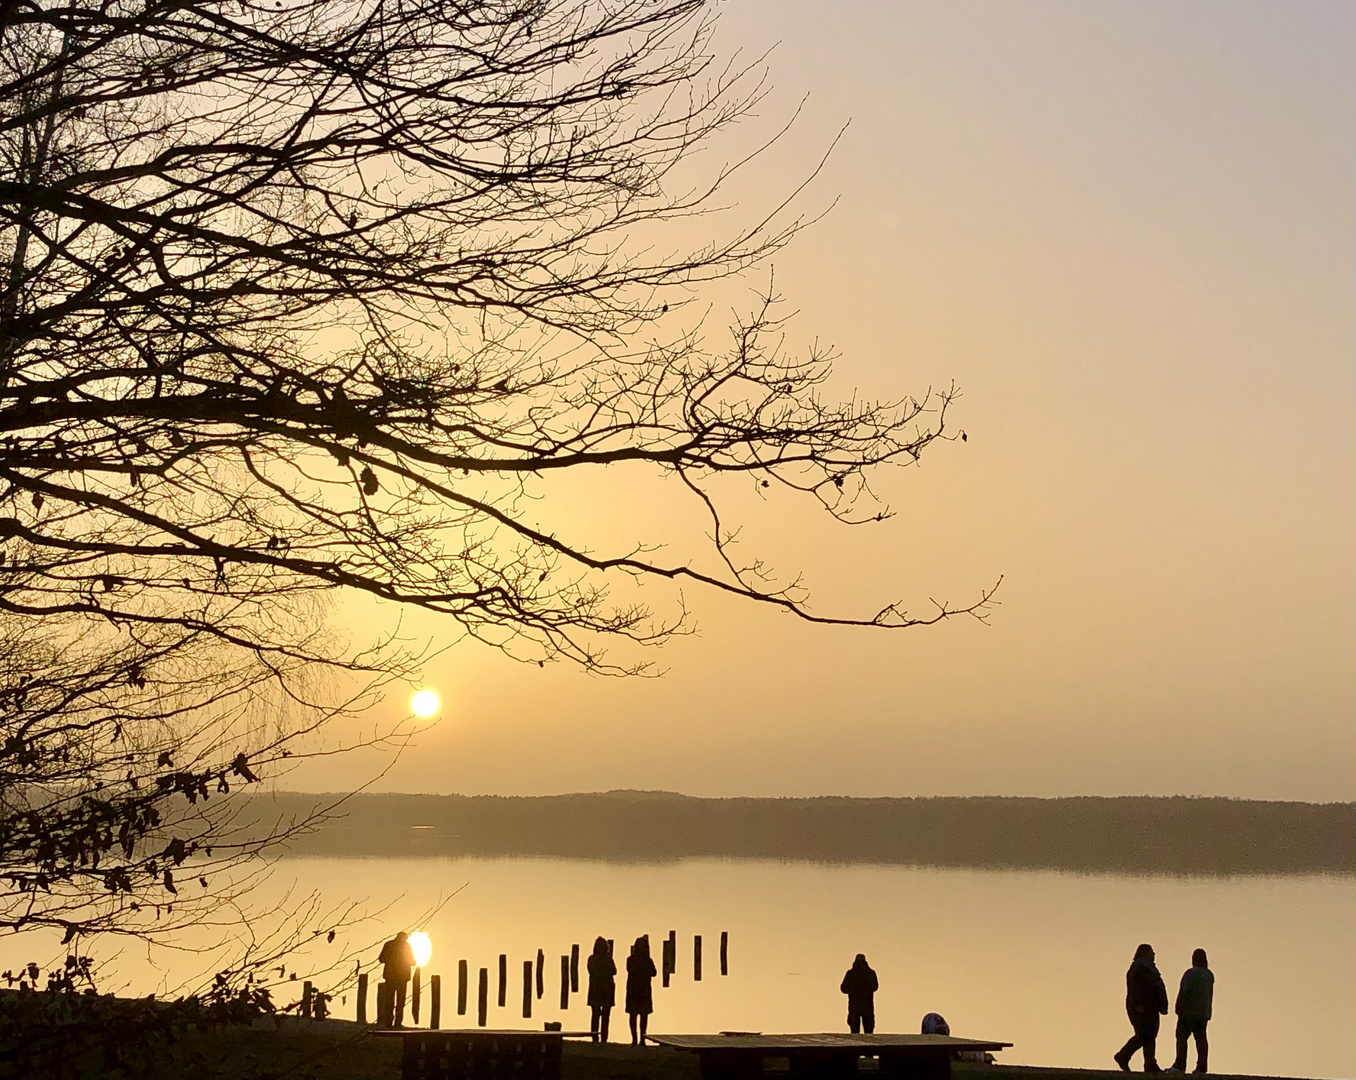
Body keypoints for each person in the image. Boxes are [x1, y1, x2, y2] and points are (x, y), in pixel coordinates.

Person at [1115, 943, 1169, 1073]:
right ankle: (1123, 1056)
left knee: (1150, 1035)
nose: (1154, 955)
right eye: (1151, 952)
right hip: (1142, 1008)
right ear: (1145, 953)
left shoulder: (1150, 969)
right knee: (1144, 1034)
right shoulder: (1138, 969)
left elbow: (1158, 988)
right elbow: (1136, 989)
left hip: (1152, 1007)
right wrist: (1138, 1005)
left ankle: (1149, 1063)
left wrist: (1163, 1004)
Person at [1171, 949, 1214, 1074]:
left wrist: (1178, 1006)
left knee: (1181, 1037)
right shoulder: (1209, 975)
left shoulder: (1190, 974)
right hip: (1202, 1012)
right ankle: (1202, 1066)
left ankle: (1180, 1065)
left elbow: (1184, 991)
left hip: (1188, 1011)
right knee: (1201, 1039)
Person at [378, 930, 416, 1027]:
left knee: (389, 1000)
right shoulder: (406, 947)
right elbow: (413, 961)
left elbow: (381, 959)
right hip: (401, 978)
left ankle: (388, 1022)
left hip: (390, 976)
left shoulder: (388, 945)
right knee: (400, 1001)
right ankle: (398, 1023)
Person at [625, 935, 657, 1046]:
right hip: (643, 991)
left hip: (633, 990)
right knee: (643, 1016)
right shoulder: (647, 960)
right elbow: (654, 972)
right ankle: (642, 1039)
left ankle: (635, 1038)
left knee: (633, 1015)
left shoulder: (630, 959)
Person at [587, 936, 617, 1044]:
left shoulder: (592, 959)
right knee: (605, 1016)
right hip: (606, 989)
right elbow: (614, 971)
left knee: (595, 1015)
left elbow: (591, 970)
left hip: (596, 989)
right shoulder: (608, 959)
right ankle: (603, 1038)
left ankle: (595, 1037)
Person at [840, 954, 878, 1035]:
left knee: (854, 1031)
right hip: (867, 1005)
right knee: (868, 1031)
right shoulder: (870, 973)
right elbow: (875, 987)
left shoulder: (851, 973)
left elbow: (844, 989)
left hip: (854, 1005)